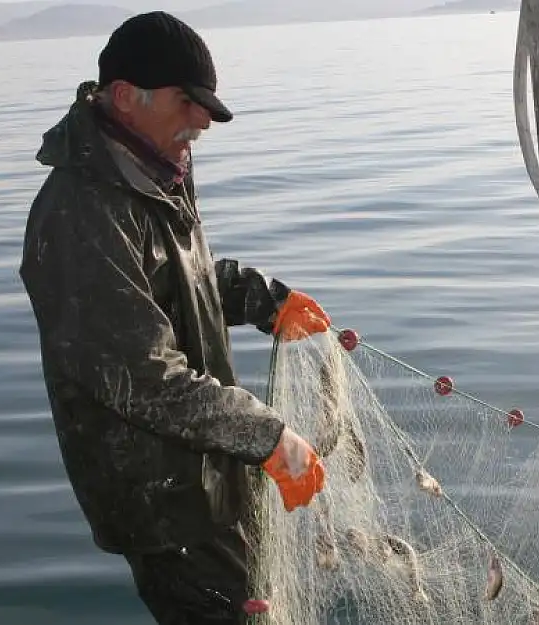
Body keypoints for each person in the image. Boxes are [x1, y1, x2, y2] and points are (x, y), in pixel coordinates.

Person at [18, 11, 327, 624]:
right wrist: (267, 436)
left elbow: (174, 280)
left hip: (209, 474)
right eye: (190, 102)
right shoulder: (81, 214)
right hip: (164, 506)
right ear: (127, 97)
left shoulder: (154, 170)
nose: (204, 122)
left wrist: (260, 301)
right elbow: (142, 376)